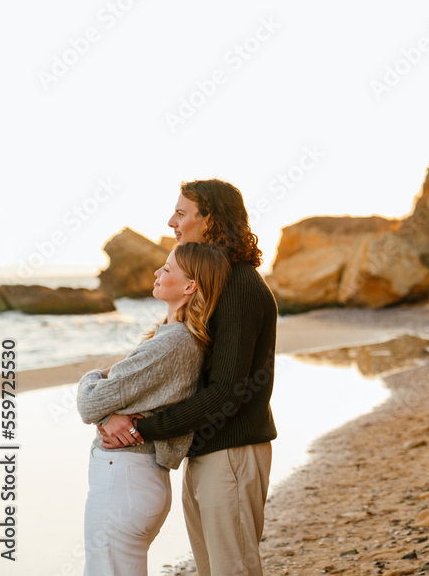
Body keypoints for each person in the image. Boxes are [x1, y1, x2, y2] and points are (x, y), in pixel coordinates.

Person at [100, 179, 279, 576]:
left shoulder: (238, 285)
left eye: (181, 213)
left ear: (210, 220)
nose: (171, 222)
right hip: (207, 450)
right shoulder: (217, 283)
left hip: (232, 451)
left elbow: (226, 390)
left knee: (232, 569)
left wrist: (143, 428)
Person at [78, 242, 231, 576]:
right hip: (137, 478)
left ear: (190, 286)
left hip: (125, 478)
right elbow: (108, 402)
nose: (156, 273)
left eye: (167, 269)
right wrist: (109, 411)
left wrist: (95, 376)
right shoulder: (178, 339)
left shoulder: (173, 342)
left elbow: (89, 401)